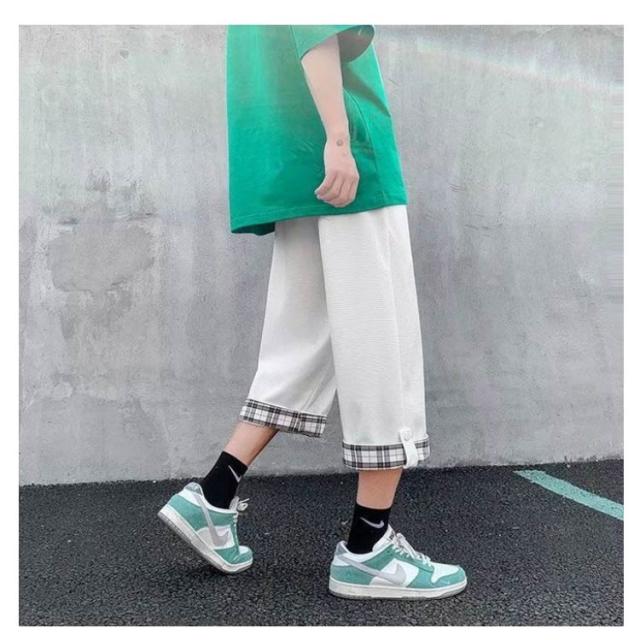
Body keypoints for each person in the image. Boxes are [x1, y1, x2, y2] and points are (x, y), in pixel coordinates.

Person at [159, 25, 467, 600]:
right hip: (346, 165)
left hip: (296, 167)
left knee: (305, 341)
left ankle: (213, 497)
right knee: (384, 349)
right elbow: (315, 32)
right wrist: (340, 140)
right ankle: (369, 549)